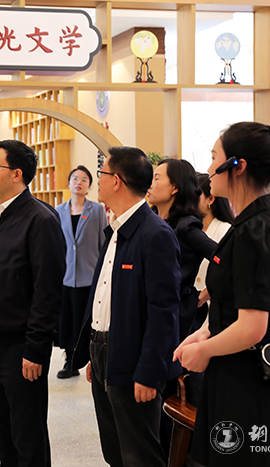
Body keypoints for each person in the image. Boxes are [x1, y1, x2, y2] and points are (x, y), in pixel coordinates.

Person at [174, 120, 270, 467]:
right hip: (234, 376)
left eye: (213, 156)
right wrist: (204, 333)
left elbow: (252, 327)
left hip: (253, 387)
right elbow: (231, 301)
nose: (208, 169)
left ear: (238, 166)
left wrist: (203, 350)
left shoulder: (257, 231)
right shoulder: (246, 224)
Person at [76, 146, 182, 467]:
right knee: (114, 450)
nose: (98, 180)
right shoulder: (116, 229)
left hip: (133, 358)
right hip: (104, 352)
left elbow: (163, 311)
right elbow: (105, 294)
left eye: (102, 174)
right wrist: (95, 351)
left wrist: (150, 373)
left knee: (140, 453)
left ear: (117, 181)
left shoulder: (155, 234)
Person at [0, 139, 66, 467]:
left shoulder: (41, 219)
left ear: (17, 174)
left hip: (21, 346)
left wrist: (36, 349)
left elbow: (47, 291)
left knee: (27, 435)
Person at [147, 158, 218, 340]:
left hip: (174, 316)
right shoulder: (151, 221)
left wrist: (202, 296)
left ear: (175, 188)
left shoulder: (186, 226)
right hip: (148, 312)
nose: (150, 184)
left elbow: (224, 258)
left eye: (157, 178)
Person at [54, 165, 107, 379]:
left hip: (89, 274)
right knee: (68, 320)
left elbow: (103, 242)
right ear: (68, 183)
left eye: (84, 179)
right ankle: (70, 361)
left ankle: (89, 359)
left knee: (86, 321)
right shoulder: (58, 211)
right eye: (75, 178)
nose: (79, 182)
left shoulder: (97, 210)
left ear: (89, 186)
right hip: (66, 275)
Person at [194, 173, 234, 301]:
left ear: (210, 199)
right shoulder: (190, 229)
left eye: (195, 195)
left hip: (213, 304)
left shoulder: (225, 230)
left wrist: (202, 297)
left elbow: (230, 272)